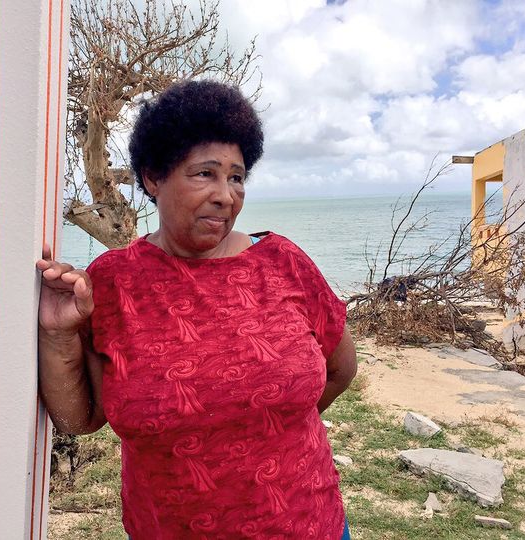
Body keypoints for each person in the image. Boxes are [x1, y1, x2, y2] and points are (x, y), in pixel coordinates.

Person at [37, 80, 358, 539]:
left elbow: (341, 369)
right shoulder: (112, 282)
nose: (226, 195)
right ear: (152, 177)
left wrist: (268, 426)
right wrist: (57, 333)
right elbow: (80, 418)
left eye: (237, 176)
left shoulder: (283, 263)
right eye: (205, 173)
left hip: (307, 524)